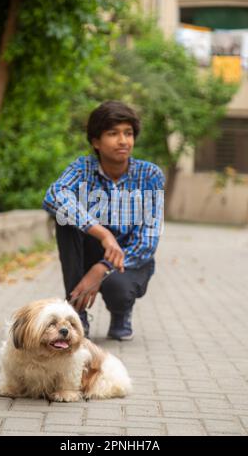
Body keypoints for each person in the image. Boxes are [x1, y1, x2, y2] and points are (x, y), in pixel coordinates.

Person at [42, 100, 165, 340]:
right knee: (64, 219)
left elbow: (148, 240)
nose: (123, 141)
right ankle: (76, 315)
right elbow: (54, 195)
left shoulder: (150, 175)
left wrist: (102, 268)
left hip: (130, 260)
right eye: (113, 133)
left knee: (117, 287)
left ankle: (121, 313)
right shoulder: (82, 168)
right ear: (96, 142)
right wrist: (102, 233)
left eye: (128, 133)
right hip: (90, 250)